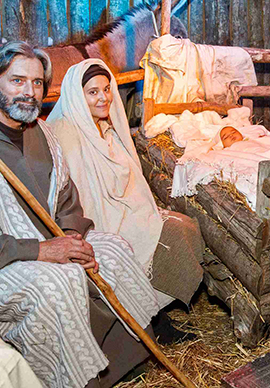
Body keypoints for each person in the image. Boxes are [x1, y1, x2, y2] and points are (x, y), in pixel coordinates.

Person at [0, 42, 160, 388]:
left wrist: (72, 238)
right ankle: (74, 379)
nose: (29, 92)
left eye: (37, 83)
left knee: (114, 250)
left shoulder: (44, 134)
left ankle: (127, 359)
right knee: (59, 284)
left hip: (49, 243)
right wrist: (41, 251)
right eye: (17, 81)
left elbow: (67, 200)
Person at [47, 60, 204, 326]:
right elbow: (79, 194)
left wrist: (139, 209)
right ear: (76, 96)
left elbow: (128, 180)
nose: (103, 98)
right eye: (93, 92)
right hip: (97, 219)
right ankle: (148, 318)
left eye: (107, 89)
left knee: (185, 225)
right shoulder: (67, 132)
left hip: (125, 209)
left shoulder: (104, 128)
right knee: (172, 234)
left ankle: (154, 311)